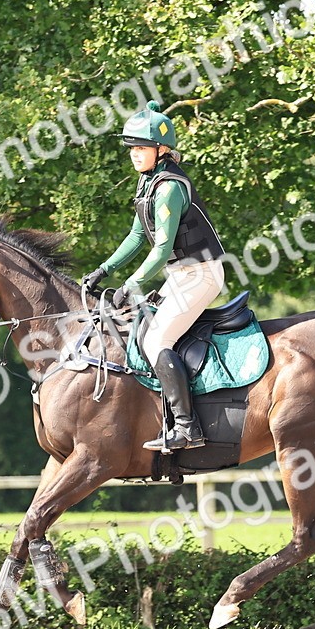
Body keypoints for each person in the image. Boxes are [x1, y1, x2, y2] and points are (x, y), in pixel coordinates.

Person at [81, 101, 226, 451]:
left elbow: (160, 249)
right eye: (131, 148)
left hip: (201, 274)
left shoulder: (169, 188)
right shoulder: (148, 185)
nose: (134, 154)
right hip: (181, 275)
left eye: (141, 148)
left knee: (156, 341)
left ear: (162, 150)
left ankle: (188, 428)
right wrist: (104, 269)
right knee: (140, 331)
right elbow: (135, 238)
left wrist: (131, 285)